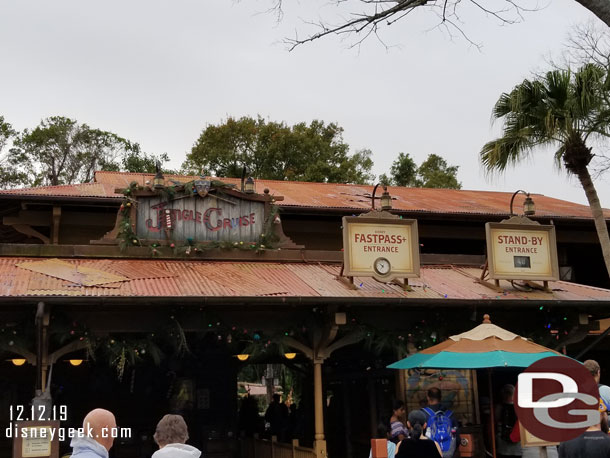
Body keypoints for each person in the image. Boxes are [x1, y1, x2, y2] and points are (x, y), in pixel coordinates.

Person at [421, 388, 458, 458]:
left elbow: (419, 437)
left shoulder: (423, 414)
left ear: (428, 397)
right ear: (440, 398)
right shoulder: (450, 415)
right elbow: (457, 438)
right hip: (448, 454)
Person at [495, 384, 522, 458]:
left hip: (502, 448)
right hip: (518, 448)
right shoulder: (520, 407)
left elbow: (495, 422)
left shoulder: (498, 407)